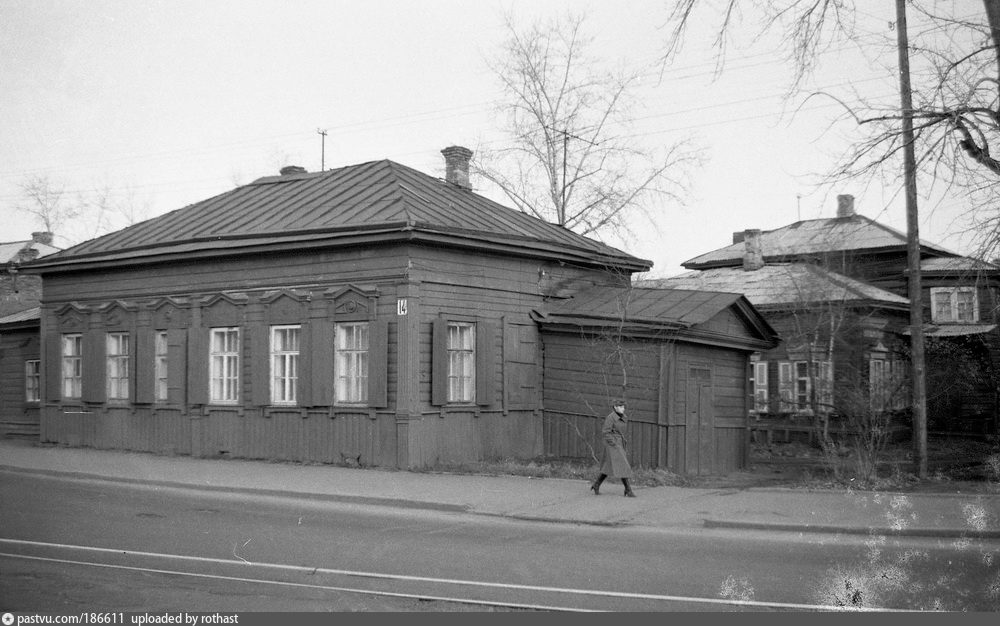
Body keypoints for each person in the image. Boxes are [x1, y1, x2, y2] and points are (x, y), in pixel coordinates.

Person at [590, 398, 636, 497]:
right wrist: (614, 443)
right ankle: (628, 489)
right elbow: (606, 432)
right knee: (623, 465)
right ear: (615, 407)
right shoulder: (610, 418)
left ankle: (596, 484)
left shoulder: (624, 417)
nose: (623, 408)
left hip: (620, 443)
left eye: (623, 407)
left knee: (609, 466)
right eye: (620, 407)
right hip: (613, 445)